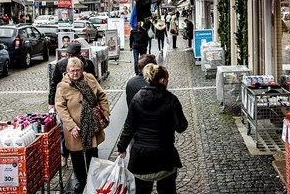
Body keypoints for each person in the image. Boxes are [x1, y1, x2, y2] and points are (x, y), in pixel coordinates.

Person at [117, 64, 188, 194]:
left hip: (141, 157)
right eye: (167, 78)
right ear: (161, 80)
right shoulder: (171, 99)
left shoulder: (137, 98)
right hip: (164, 155)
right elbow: (181, 126)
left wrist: (121, 147)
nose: (167, 81)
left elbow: (129, 127)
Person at [55, 57, 110, 193]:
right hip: (75, 127)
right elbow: (60, 107)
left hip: (91, 123)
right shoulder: (62, 86)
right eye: (72, 71)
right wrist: (71, 125)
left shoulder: (90, 78)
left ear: (82, 69)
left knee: (92, 152)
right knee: (76, 155)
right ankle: (82, 180)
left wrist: (106, 111)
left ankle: (94, 178)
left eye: (77, 70)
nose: (75, 73)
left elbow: (102, 96)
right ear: (67, 71)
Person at [48, 42, 96, 169]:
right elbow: (54, 84)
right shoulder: (61, 65)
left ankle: (93, 173)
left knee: (91, 145)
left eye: (73, 55)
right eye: (68, 54)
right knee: (68, 135)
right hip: (71, 110)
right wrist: (51, 103)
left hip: (88, 112)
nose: (70, 57)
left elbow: (95, 85)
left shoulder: (88, 64)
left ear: (80, 54)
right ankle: (65, 155)